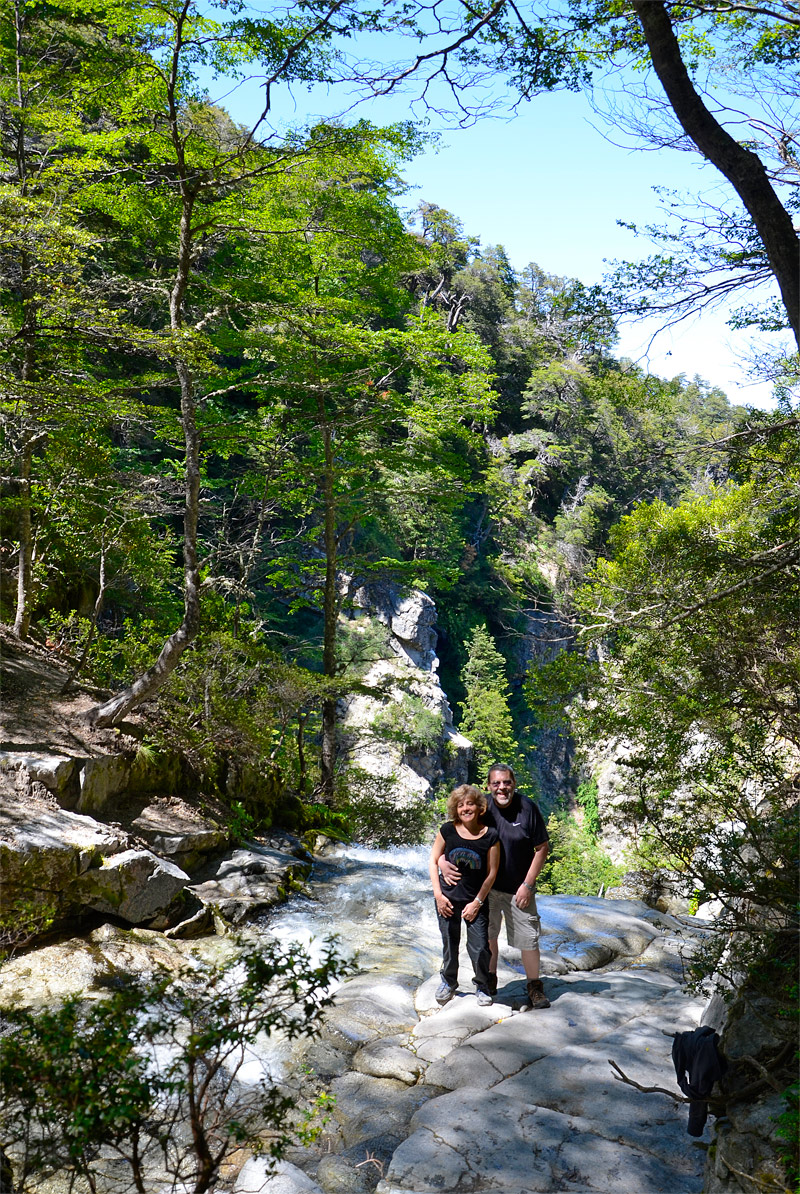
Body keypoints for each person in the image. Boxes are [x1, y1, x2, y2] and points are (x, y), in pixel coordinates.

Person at [440, 763, 550, 1010]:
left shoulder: (527, 808)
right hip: (483, 890)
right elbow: (453, 835)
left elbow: (542, 848)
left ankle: (534, 986)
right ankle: (488, 981)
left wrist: (528, 885)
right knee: (487, 937)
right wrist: (441, 862)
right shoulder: (482, 808)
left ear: (514, 784)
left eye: (507, 782)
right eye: (496, 783)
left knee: (528, 939)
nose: (502, 788)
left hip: (518, 889)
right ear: (488, 786)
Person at [429, 784, 500, 1007]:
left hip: (475, 901)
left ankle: (482, 984)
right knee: (449, 942)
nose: (465, 808)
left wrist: (478, 902)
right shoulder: (447, 830)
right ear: (455, 809)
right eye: (461, 805)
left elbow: (492, 873)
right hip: (447, 898)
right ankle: (449, 982)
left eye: (470, 804)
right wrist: (438, 895)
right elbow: (433, 860)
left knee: (479, 946)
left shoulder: (491, 836)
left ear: (480, 808)